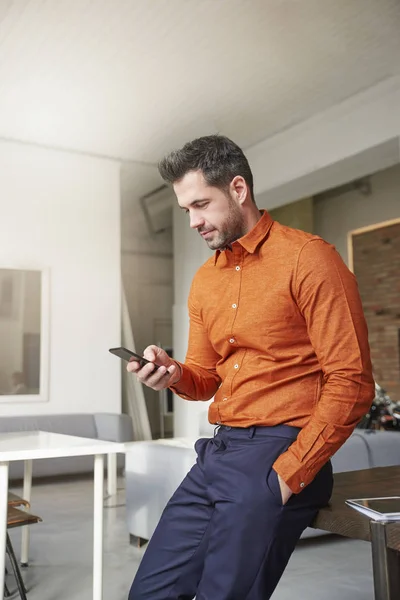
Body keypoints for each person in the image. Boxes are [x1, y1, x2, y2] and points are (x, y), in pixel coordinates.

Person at [127, 135, 375, 600]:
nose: (194, 221)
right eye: (186, 210)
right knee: (149, 594)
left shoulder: (309, 258)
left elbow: (353, 380)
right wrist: (174, 374)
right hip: (218, 453)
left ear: (238, 189)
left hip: (279, 453)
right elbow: (205, 377)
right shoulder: (205, 280)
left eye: (201, 203)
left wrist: (286, 476)